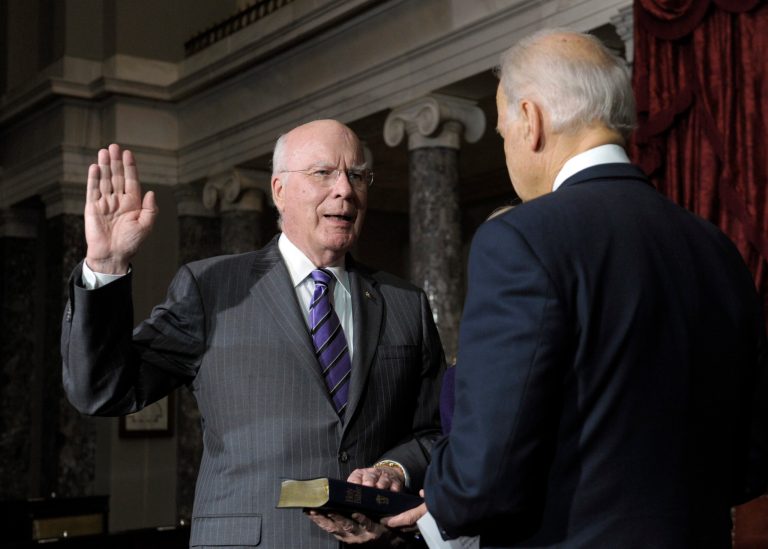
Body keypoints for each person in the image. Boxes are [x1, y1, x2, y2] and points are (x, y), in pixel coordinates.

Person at [390, 28, 768, 547]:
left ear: (532, 120)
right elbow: (750, 463)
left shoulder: (521, 239)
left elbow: (481, 478)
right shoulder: (716, 248)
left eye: (503, 132)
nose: (507, 149)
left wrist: (430, 517)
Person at [61, 119, 446, 548]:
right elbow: (102, 389)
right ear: (279, 190)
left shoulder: (404, 302)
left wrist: (394, 469)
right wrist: (107, 266)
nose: (345, 189)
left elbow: (433, 431)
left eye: (357, 174)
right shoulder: (212, 288)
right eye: (324, 173)